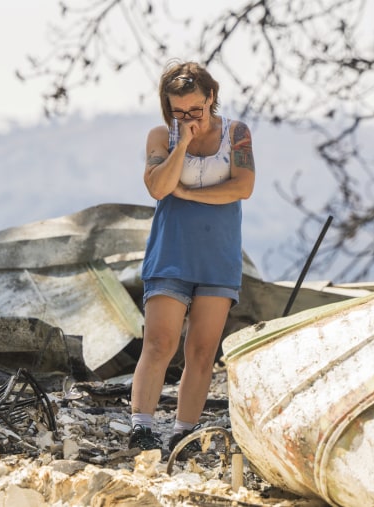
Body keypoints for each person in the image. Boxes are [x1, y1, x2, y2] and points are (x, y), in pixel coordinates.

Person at [129, 60, 255, 454]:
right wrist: (181, 143)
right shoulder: (159, 138)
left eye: (195, 110)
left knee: (202, 350)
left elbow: (243, 187)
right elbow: (158, 186)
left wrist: (189, 195)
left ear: (211, 98)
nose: (188, 117)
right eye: (178, 111)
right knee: (159, 342)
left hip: (218, 257)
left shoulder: (237, 134)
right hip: (172, 253)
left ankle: (185, 431)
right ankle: (141, 426)